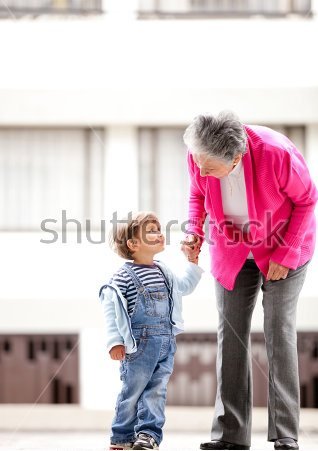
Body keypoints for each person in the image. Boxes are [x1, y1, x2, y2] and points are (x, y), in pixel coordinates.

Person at [181, 111, 318, 451]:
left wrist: (285, 255)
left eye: (208, 166)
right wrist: (193, 231)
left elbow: (308, 200)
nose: (200, 170)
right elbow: (197, 195)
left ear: (236, 157)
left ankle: (286, 433)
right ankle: (230, 435)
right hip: (233, 248)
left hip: (285, 243)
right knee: (230, 334)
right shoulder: (200, 154)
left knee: (278, 329)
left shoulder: (275, 152)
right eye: (197, 162)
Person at [99, 211, 203, 450]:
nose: (160, 234)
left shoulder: (164, 271)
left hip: (165, 342)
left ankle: (148, 436)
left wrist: (193, 261)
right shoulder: (123, 277)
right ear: (133, 244)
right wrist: (115, 341)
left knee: (156, 391)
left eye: (159, 229)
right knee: (132, 392)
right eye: (152, 231)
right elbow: (110, 308)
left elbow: (184, 287)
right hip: (138, 345)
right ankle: (122, 437)